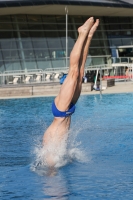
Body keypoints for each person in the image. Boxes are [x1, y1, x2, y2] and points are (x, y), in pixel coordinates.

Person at [43, 17, 99, 167]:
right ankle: (89, 36)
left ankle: (81, 33)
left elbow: (50, 168)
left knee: (73, 72)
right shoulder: (58, 154)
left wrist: (52, 173)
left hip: (61, 111)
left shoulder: (50, 159)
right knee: (80, 73)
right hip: (67, 109)